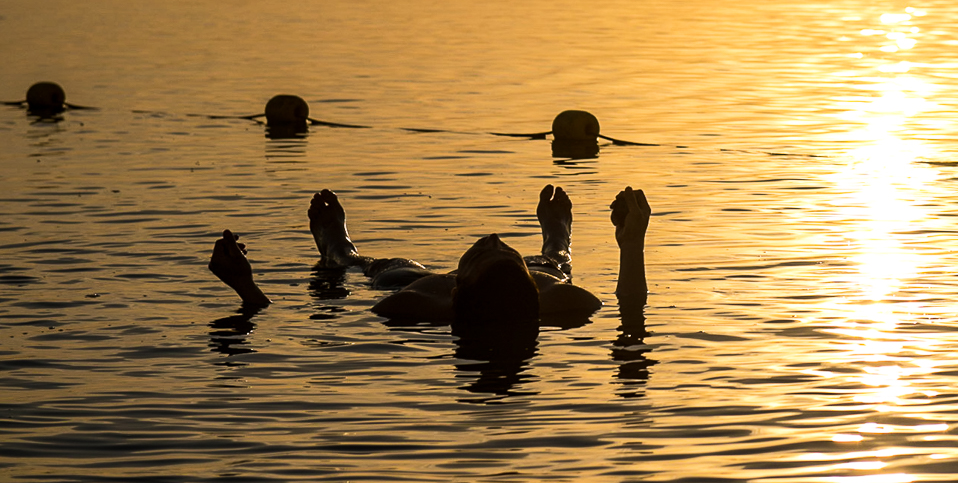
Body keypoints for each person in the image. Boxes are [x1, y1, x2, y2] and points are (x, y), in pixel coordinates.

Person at [207, 183, 651, 328]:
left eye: (484, 251)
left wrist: (245, 287)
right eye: (505, 252)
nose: (494, 237)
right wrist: (632, 247)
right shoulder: (566, 302)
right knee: (554, 267)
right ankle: (557, 241)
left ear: (458, 281)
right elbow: (630, 309)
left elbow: (280, 324)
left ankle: (341, 251)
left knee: (385, 271)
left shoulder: (411, 305)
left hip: (430, 290)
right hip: (525, 291)